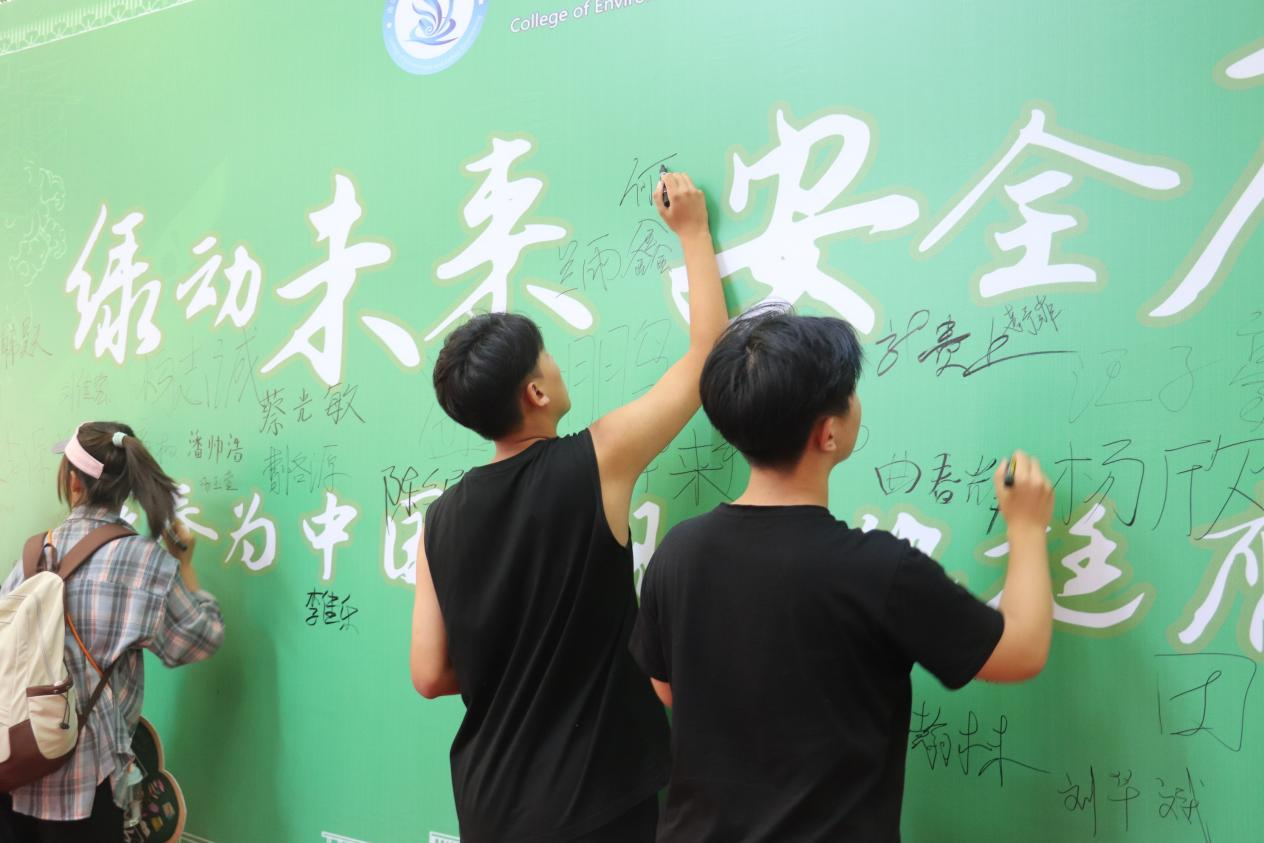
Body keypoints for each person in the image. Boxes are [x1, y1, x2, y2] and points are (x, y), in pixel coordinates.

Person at [629, 309, 1054, 842]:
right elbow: (1021, 651)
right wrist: (1027, 527)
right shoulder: (879, 570)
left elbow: (667, 688)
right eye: (848, 392)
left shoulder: (679, 551)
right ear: (828, 433)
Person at [410, 171, 727, 842]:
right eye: (547, 358)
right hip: (595, 804)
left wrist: (516, 659)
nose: (558, 366)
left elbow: (429, 673)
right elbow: (707, 360)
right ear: (536, 393)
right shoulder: (595, 459)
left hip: (489, 806)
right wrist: (694, 232)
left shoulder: (439, 518)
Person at [0, 421, 225, 843]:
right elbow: (199, 639)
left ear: (73, 483)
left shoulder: (34, 553)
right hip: (88, 779)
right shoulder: (146, 561)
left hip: (15, 761)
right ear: (126, 486)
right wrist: (187, 566)